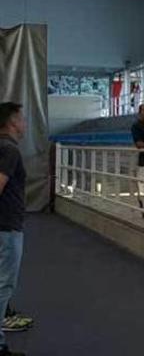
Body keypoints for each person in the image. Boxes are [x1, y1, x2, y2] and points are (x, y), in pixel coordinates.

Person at [0, 102, 27, 356]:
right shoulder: (10, 150)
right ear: (12, 122)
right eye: (22, 118)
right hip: (6, 226)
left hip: (5, 225)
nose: (25, 123)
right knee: (3, 285)